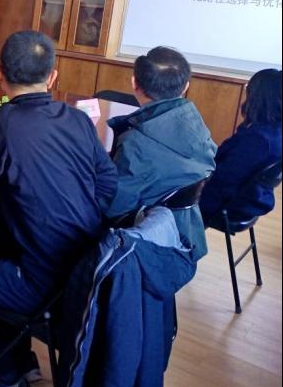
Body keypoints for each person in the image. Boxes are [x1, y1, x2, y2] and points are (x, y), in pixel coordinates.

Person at [0, 30, 118, 387]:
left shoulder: (6, 120)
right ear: (53, 76)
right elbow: (108, 182)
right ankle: (19, 357)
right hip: (84, 269)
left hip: (44, 279)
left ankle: (3, 376)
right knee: (2, 246)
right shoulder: (77, 119)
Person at [104, 46, 216, 260]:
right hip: (186, 230)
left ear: (134, 83)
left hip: (141, 237)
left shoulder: (137, 142)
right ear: (186, 86)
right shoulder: (196, 122)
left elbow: (114, 207)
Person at [199, 68, 282, 225]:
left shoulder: (258, 140)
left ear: (258, 97)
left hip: (229, 205)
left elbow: (224, 180)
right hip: (252, 199)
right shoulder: (272, 131)